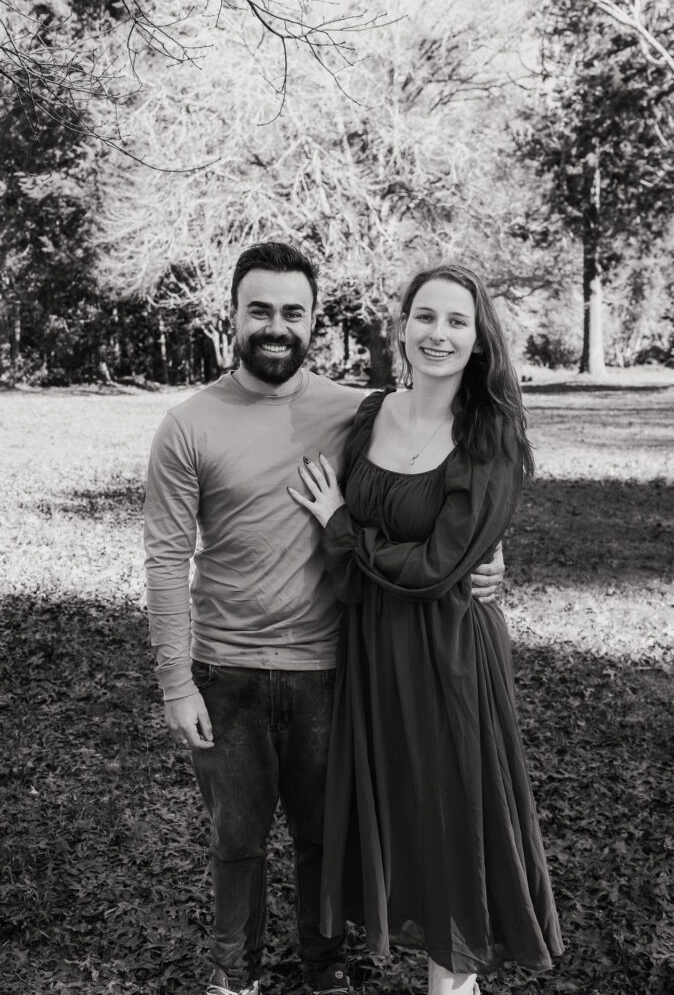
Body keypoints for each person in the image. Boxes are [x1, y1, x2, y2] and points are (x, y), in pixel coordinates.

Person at [143, 243, 505, 995]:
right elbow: (164, 562)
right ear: (233, 315)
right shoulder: (186, 425)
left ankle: (324, 971)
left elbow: (432, 475)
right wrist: (176, 682)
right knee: (235, 840)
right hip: (225, 668)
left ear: (313, 320)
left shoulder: (356, 412)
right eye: (260, 310)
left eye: (292, 312)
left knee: (325, 838)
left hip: (331, 664)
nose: (276, 326)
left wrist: (490, 557)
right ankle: (231, 977)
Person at [289, 264, 564, 995]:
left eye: (456, 322)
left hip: (448, 656)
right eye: (425, 317)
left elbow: (436, 568)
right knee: (402, 813)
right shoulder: (368, 414)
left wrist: (340, 526)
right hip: (373, 651)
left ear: (479, 343)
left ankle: (454, 981)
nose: (438, 334)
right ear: (400, 327)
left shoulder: (489, 435)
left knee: (452, 814)